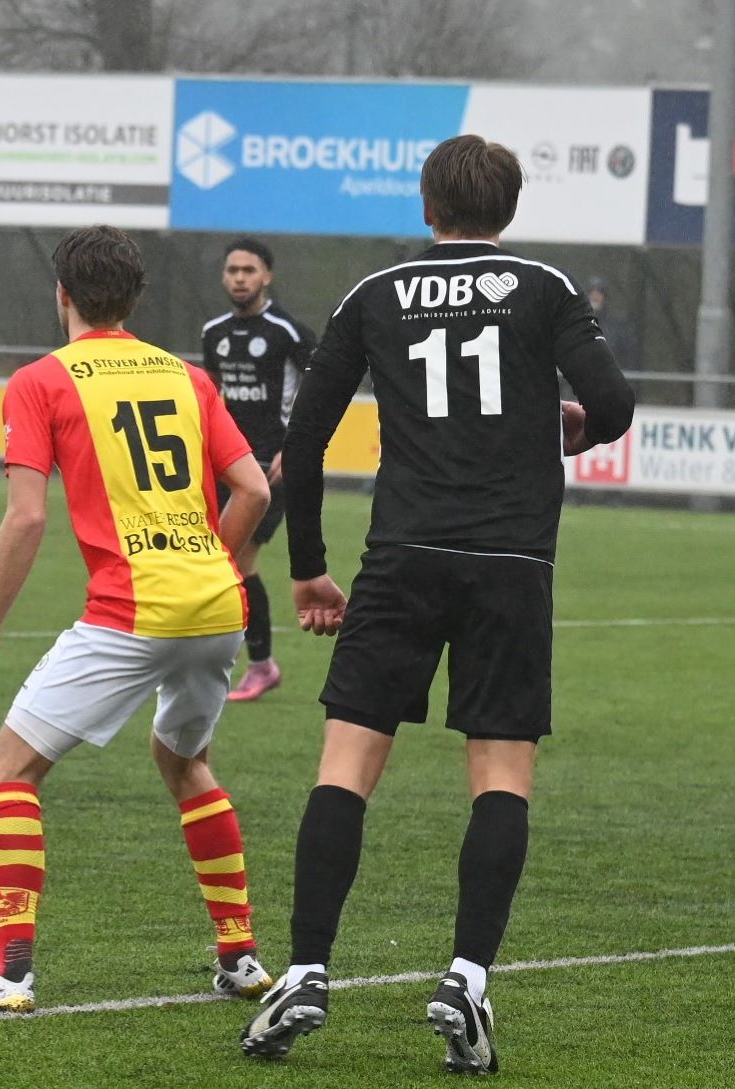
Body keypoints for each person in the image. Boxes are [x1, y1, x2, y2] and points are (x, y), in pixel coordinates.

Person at [238, 135, 635, 1073]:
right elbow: (612, 402)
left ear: (426, 208)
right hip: (511, 561)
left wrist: (307, 568)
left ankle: (303, 971)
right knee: (500, 772)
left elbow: (307, 431)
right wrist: (570, 427)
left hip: (401, 556)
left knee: (348, 762)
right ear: (508, 210)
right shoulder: (542, 286)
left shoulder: (373, 294)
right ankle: (465, 977)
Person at [0, 225, 276, 1014]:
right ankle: (241, 956)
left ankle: (9, 969)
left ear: (63, 294)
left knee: (6, 770)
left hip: (129, 608)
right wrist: (205, 559)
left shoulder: (42, 380)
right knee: (185, 764)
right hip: (218, 603)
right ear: (135, 298)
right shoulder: (187, 377)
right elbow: (253, 489)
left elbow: (25, 520)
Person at [200, 237, 316, 702]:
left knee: (238, 561)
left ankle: (260, 664)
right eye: (233, 270)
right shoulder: (214, 332)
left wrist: (298, 445)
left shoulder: (287, 331)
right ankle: (239, 658)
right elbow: (213, 396)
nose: (240, 278)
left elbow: (322, 382)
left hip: (271, 468)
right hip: (228, 464)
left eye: (249, 270)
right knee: (221, 560)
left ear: (266, 276)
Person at [586, 278, 641, 372]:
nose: (595, 296)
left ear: (605, 297)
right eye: (591, 291)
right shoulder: (574, 324)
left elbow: (628, 358)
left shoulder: (618, 326)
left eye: (599, 292)